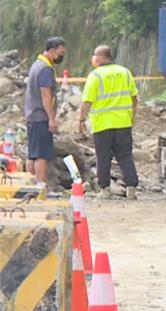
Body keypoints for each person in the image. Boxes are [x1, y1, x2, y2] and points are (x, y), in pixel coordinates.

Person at [78, 45, 140, 200]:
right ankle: (131, 189)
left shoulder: (95, 76)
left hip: (102, 125)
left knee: (103, 157)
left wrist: (81, 120)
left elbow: (87, 101)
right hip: (123, 123)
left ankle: (105, 190)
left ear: (100, 58)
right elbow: (134, 97)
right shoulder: (125, 72)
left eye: (94, 55)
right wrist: (133, 116)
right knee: (125, 156)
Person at [24, 37, 66, 189]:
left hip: (32, 115)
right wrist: (51, 118)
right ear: (52, 50)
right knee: (41, 154)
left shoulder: (37, 65)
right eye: (59, 53)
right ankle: (40, 187)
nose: (60, 57)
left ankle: (31, 185)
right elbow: (46, 95)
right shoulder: (45, 69)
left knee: (33, 153)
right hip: (41, 116)